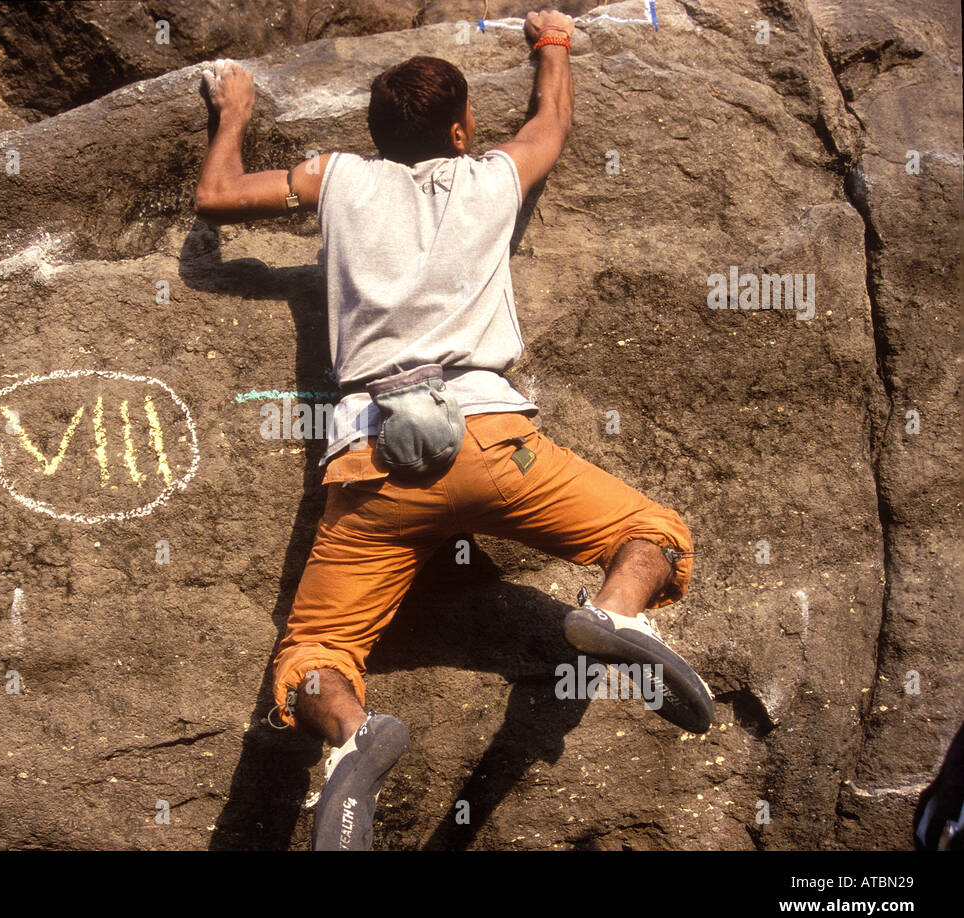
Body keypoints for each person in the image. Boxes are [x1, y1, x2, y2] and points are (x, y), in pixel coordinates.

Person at [196, 9, 711, 851]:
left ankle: (354, 737)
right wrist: (551, 42)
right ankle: (618, 613)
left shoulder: (338, 179)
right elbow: (551, 123)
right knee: (650, 532)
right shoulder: (493, 176)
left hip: (373, 461)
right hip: (493, 439)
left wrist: (236, 110)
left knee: (316, 649)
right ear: (463, 129)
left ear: (372, 134)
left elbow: (216, 198)